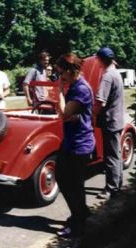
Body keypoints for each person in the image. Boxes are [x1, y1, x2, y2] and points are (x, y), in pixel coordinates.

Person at [55, 53, 95, 238]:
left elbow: (64, 113)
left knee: (72, 185)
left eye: (61, 72)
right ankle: (82, 214)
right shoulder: (77, 85)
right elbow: (72, 115)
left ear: (71, 70)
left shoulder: (80, 89)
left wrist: (59, 92)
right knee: (66, 181)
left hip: (79, 144)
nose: (60, 76)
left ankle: (78, 225)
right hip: (72, 141)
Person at [94, 47, 125, 200]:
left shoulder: (107, 76)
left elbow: (100, 101)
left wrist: (92, 114)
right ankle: (117, 184)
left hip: (110, 121)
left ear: (101, 60)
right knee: (116, 154)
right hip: (117, 120)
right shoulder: (116, 73)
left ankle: (111, 189)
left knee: (111, 156)